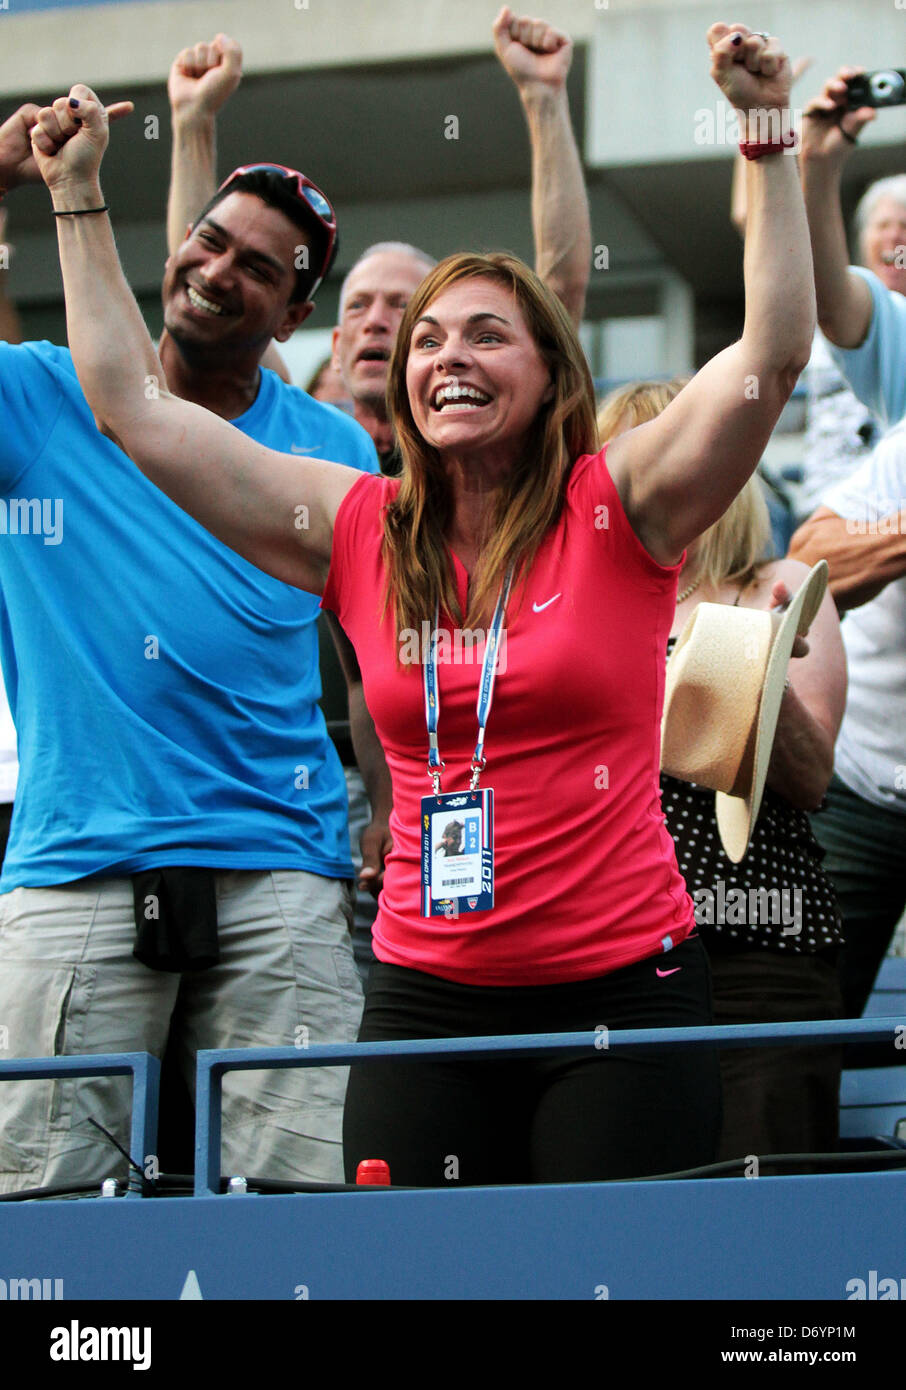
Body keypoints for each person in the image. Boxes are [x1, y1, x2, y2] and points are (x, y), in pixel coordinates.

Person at [34, 20, 815, 1184]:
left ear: (550, 371)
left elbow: (774, 349)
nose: (450, 354)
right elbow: (133, 407)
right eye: (430, 337)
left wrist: (762, 128)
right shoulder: (356, 522)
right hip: (426, 998)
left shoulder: (624, 501)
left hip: (620, 993)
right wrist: (77, 194)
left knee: (598, 1277)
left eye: (490, 335)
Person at [0, 102, 380, 1194]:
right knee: (48, 1204)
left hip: (284, 866)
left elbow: (369, 656)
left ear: (296, 312)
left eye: (260, 268)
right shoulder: (37, 394)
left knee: (305, 1199)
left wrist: (393, 809)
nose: (220, 271)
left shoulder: (334, 444)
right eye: (210, 240)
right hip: (79, 861)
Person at [598, 380, 847, 1162]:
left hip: (756, 946)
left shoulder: (775, 583)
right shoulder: (577, 598)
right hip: (611, 954)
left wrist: (760, 663)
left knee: (764, 1213)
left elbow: (813, 782)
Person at [800, 66, 906, 429]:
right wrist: (817, 164)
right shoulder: (893, 322)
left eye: (905, 226)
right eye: (882, 226)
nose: (893, 238)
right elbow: (832, 300)